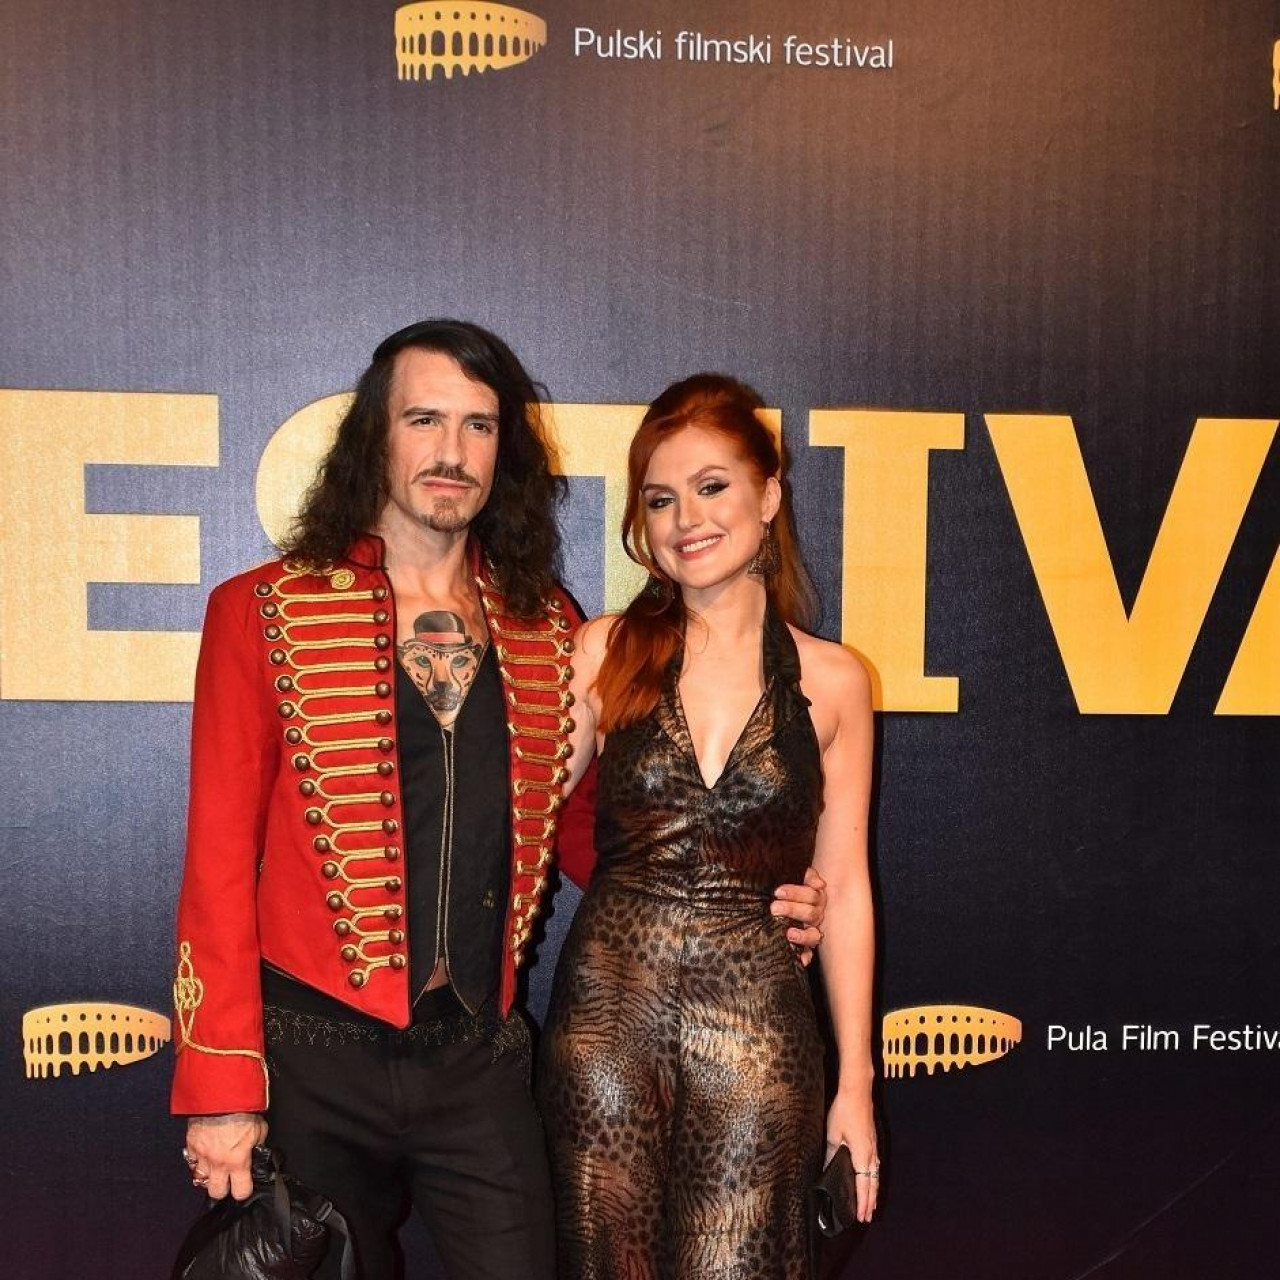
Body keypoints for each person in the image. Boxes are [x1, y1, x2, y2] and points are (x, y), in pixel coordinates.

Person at [172, 321, 829, 1280]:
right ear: (374, 435)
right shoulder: (264, 611)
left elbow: (591, 827)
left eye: (478, 426)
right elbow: (219, 862)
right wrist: (221, 1087)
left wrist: (736, 903)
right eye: (425, 420)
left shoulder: (546, 625)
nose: (452, 451)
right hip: (312, 1054)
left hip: (478, 1059)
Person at [538, 374, 879, 1279]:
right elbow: (522, 823)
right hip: (606, 1028)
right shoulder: (603, 650)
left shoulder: (835, 681)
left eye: (712, 486)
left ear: (768, 496)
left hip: (760, 1034)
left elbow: (844, 887)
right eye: (660, 499)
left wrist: (855, 1087)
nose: (685, 518)